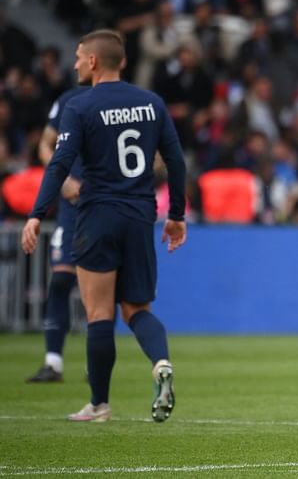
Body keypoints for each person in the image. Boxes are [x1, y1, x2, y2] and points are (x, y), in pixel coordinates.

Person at [20, 29, 187, 423]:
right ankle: (161, 362)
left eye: (79, 56)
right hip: (140, 215)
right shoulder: (151, 103)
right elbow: (176, 161)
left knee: (99, 314)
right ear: (124, 62)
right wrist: (176, 215)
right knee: (136, 309)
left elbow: (59, 164)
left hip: (96, 214)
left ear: (93, 62)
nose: (75, 63)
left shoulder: (79, 106)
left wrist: (37, 212)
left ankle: (98, 404)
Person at [25, 86, 88, 383]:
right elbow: (45, 146)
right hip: (71, 207)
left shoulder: (123, 100)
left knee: (98, 288)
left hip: (103, 207)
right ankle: (53, 362)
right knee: (61, 279)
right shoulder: (67, 99)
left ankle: (95, 363)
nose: (76, 64)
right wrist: (62, 179)